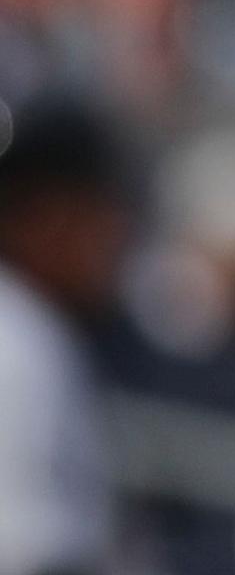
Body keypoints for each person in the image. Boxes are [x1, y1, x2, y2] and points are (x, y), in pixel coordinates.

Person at [0, 101, 130, 575]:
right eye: (95, 212)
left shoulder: (38, 327)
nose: (115, 234)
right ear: (40, 219)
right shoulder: (17, 343)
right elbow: (33, 556)